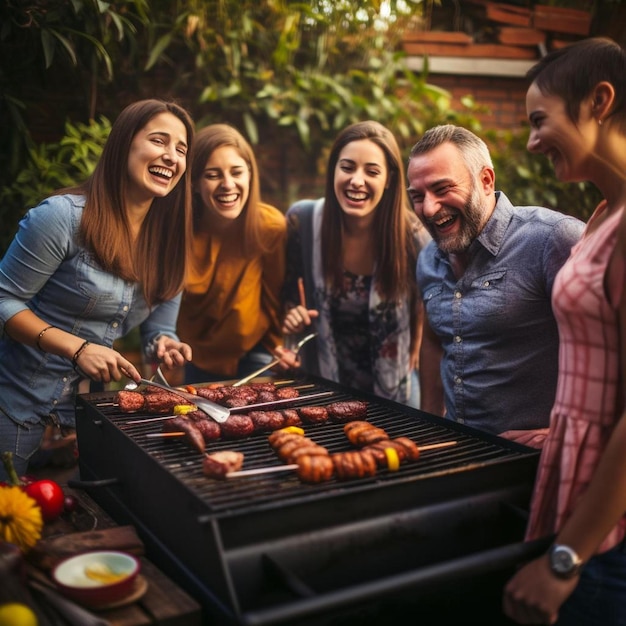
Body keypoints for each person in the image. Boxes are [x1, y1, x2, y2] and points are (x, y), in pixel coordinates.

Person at [0, 99, 195, 479]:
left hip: (90, 420)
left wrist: (164, 345)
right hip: (14, 406)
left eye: (181, 149)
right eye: (159, 141)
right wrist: (77, 347)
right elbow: (4, 299)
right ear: (124, 144)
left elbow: (159, 330)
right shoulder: (61, 218)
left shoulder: (172, 245)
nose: (171, 156)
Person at [503, 37, 626, 625]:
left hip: (608, 533)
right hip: (579, 494)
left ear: (599, 101)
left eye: (539, 120)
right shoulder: (605, 214)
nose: (530, 141)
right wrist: (561, 431)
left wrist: (564, 561)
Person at [406, 124, 584, 446]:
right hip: (457, 452)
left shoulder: (553, 240)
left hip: (537, 462)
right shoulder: (428, 259)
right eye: (417, 197)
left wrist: (567, 435)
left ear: (486, 180)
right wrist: (430, 420)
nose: (428, 209)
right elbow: (433, 339)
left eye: (442, 188)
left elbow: (609, 348)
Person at [282, 120, 429, 405]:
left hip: (396, 391)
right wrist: (292, 315)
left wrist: (420, 340)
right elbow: (287, 295)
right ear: (333, 170)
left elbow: (437, 309)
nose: (357, 180)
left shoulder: (414, 237)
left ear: (388, 180)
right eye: (347, 167)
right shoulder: (303, 222)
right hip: (320, 388)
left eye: (371, 171)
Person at [176, 124, 287, 384]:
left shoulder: (269, 226)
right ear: (193, 182)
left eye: (237, 172)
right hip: (196, 355)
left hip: (257, 354)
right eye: (212, 175)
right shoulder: (178, 233)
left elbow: (276, 298)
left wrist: (279, 351)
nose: (228, 184)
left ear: (250, 175)